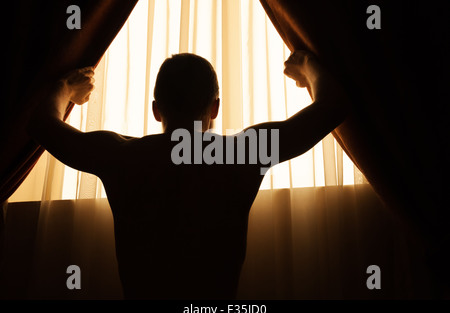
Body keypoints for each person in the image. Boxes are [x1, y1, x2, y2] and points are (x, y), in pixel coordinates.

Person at [27, 50, 349, 299]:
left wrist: (66, 88)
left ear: (156, 110)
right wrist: (306, 64)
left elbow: (43, 125)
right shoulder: (241, 156)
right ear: (215, 109)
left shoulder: (121, 157)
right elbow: (333, 104)